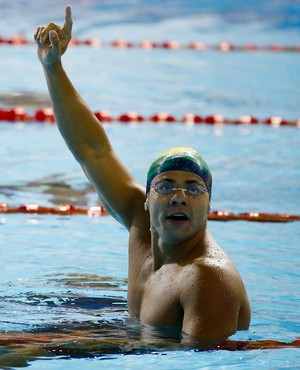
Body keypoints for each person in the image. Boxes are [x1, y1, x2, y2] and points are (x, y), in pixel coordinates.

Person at [34, 5, 251, 349]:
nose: (179, 196)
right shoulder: (140, 223)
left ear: (209, 204)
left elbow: (198, 362)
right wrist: (52, 66)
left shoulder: (205, 278)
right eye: (166, 186)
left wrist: (90, 343)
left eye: (194, 189)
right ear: (147, 199)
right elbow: (92, 150)